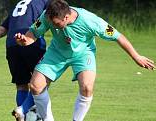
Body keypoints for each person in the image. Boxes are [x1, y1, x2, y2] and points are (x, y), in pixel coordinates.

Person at [14, 0, 155, 121]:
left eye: (56, 24)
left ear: (66, 17)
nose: (52, 25)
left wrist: (136, 56)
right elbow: (33, 33)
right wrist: (25, 40)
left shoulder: (91, 21)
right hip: (57, 52)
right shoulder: (47, 16)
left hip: (83, 54)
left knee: (87, 87)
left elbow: (118, 36)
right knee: (36, 85)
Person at [0, 0, 48, 121]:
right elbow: (48, 17)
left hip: (12, 46)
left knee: (22, 86)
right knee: (42, 82)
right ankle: (23, 110)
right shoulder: (44, 1)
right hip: (32, 42)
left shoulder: (18, 7)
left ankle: (25, 116)